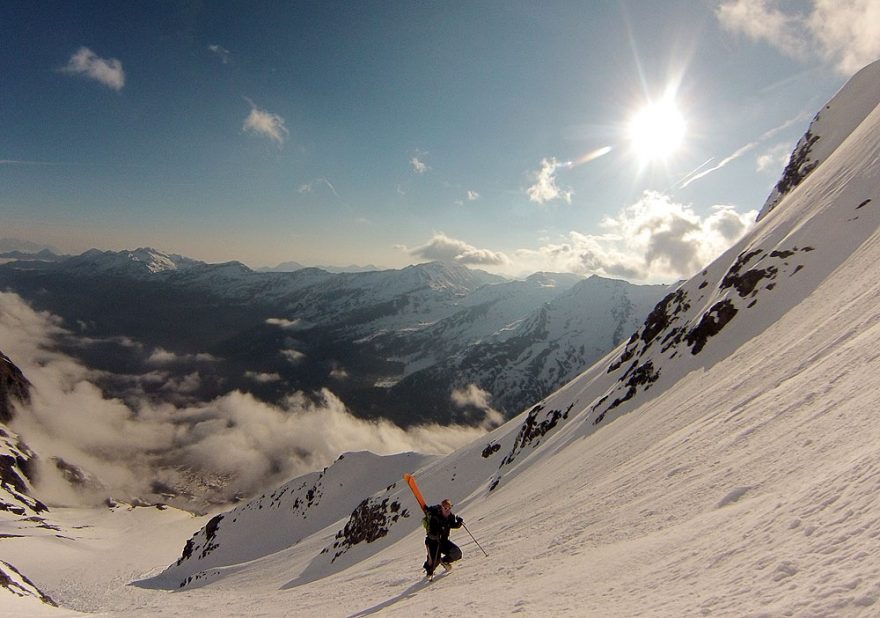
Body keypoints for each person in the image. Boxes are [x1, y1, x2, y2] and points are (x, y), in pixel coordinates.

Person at [423, 498, 463, 577]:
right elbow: (431, 533)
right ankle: (429, 572)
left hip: (443, 541)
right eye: (445, 508)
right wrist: (436, 534)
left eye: (449, 508)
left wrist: (458, 523)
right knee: (434, 562)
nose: (448, 510)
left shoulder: (450, 516)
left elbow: (452, 525)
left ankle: (445, 561)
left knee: (457, 553)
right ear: (441, 507)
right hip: (433, 543)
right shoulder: (435, 518)